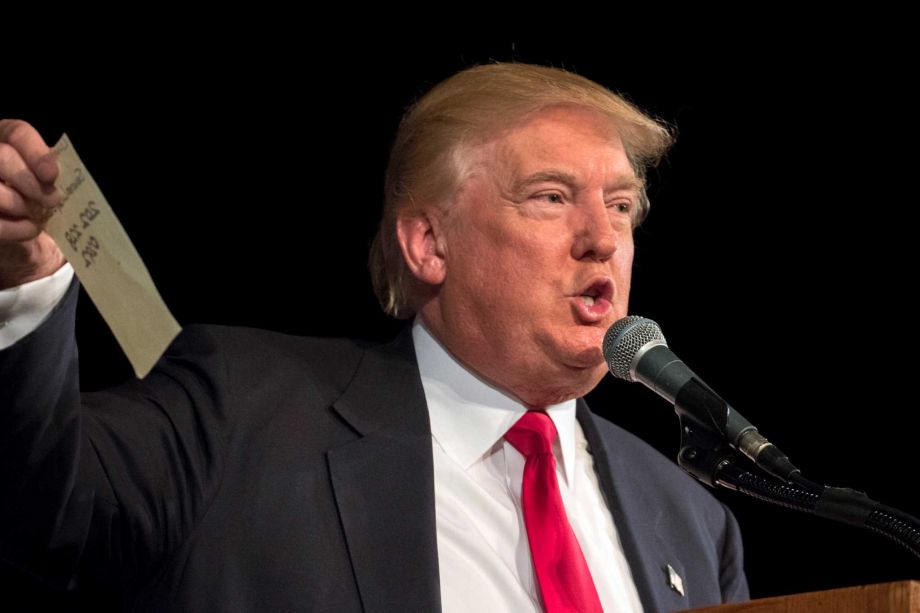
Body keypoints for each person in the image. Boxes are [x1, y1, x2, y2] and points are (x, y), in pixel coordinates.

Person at [0, 63, 749, 612]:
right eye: (551, 197)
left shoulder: (691, 520)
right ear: (429, 243)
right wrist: (23, 291)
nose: (602, 240)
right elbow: (40, 515)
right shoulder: (240, 415)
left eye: (621, 206)